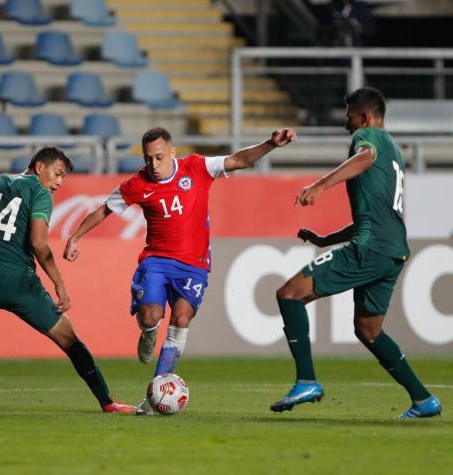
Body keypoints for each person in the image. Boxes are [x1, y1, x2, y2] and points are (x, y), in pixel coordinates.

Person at [63, 127, 297, 415]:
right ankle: (148, 334)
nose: (153, 165)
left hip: (194, 264)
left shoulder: (197, 167)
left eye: (159, 157)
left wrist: (271, 145)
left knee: (182, 318)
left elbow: (239, 160)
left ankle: (154, 396)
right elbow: (104, 210)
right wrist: (76, 237)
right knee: (150, 316)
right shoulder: (137, 184)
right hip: (157, 260)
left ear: (173, 152)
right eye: (148, 159)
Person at [0, 146, 134, 414]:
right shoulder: (39, 193)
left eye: (63, 177)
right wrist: (59, 283)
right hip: (21, 285)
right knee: (69, 339)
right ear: (39, 167)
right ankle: (107, 402)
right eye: (57, 174)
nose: (58, 182)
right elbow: (39, 244)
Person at [270, 87, 442, 419]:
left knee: (289, 294)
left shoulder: (367, 138)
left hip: (370, 248)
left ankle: (306, 380)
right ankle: (423, 400)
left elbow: (365, 158)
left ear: (363, 116)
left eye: (349, 116)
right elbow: (376, 213)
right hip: (392, 251)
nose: (347, 123)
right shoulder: (395, 149)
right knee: (369, 329)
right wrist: (327, 240)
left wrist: (320, 184)